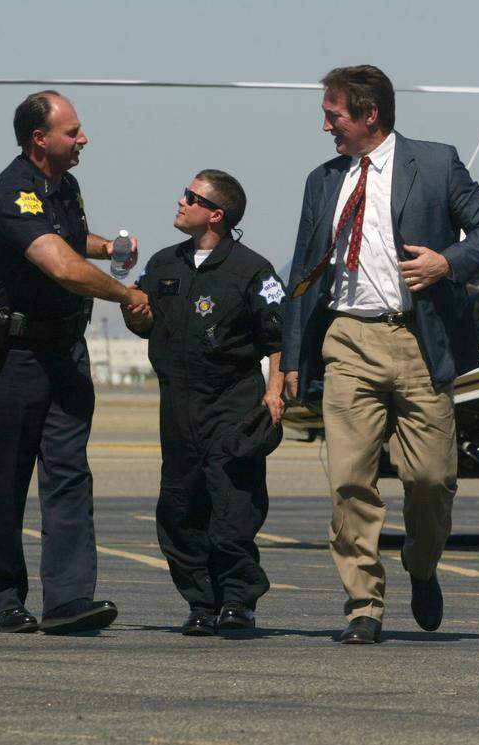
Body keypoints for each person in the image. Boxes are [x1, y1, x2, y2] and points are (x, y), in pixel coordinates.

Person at [281, 65, 479, 644]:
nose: (325, 125)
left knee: (431, 479)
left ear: (369, 115)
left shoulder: (434, 163)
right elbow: (303, 272)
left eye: (333, 114)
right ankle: (363, 603)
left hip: (416, 340)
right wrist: (288, 358)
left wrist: (447, 263)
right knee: (348, 478)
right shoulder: (322, 179)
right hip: (348, 340)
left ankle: (422, 564)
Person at [0, 91, 147, 633]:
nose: (82, 138)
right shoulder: (12, 193)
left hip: (64, 352)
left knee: (69, 473)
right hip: (11, 356)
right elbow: (59, 265)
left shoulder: (64, 187)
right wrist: (127, 294)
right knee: (3, 480)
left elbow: (67, 239)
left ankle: (69, 600)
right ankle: (4, 598)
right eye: (72, 132)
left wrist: (107, 246)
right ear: (39, 139)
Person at [121, 170, 286, 636]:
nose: (181, 200)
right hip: (177, 406)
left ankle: (237, 600)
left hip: (232, 404)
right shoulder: (163, 264)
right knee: (179, 507)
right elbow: (147, 324)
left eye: (192, 197)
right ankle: (201, 601)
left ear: (216, 214)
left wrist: (274, 392)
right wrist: (133, 313)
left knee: (232, 506)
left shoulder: (252, 270)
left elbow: (277, 336)